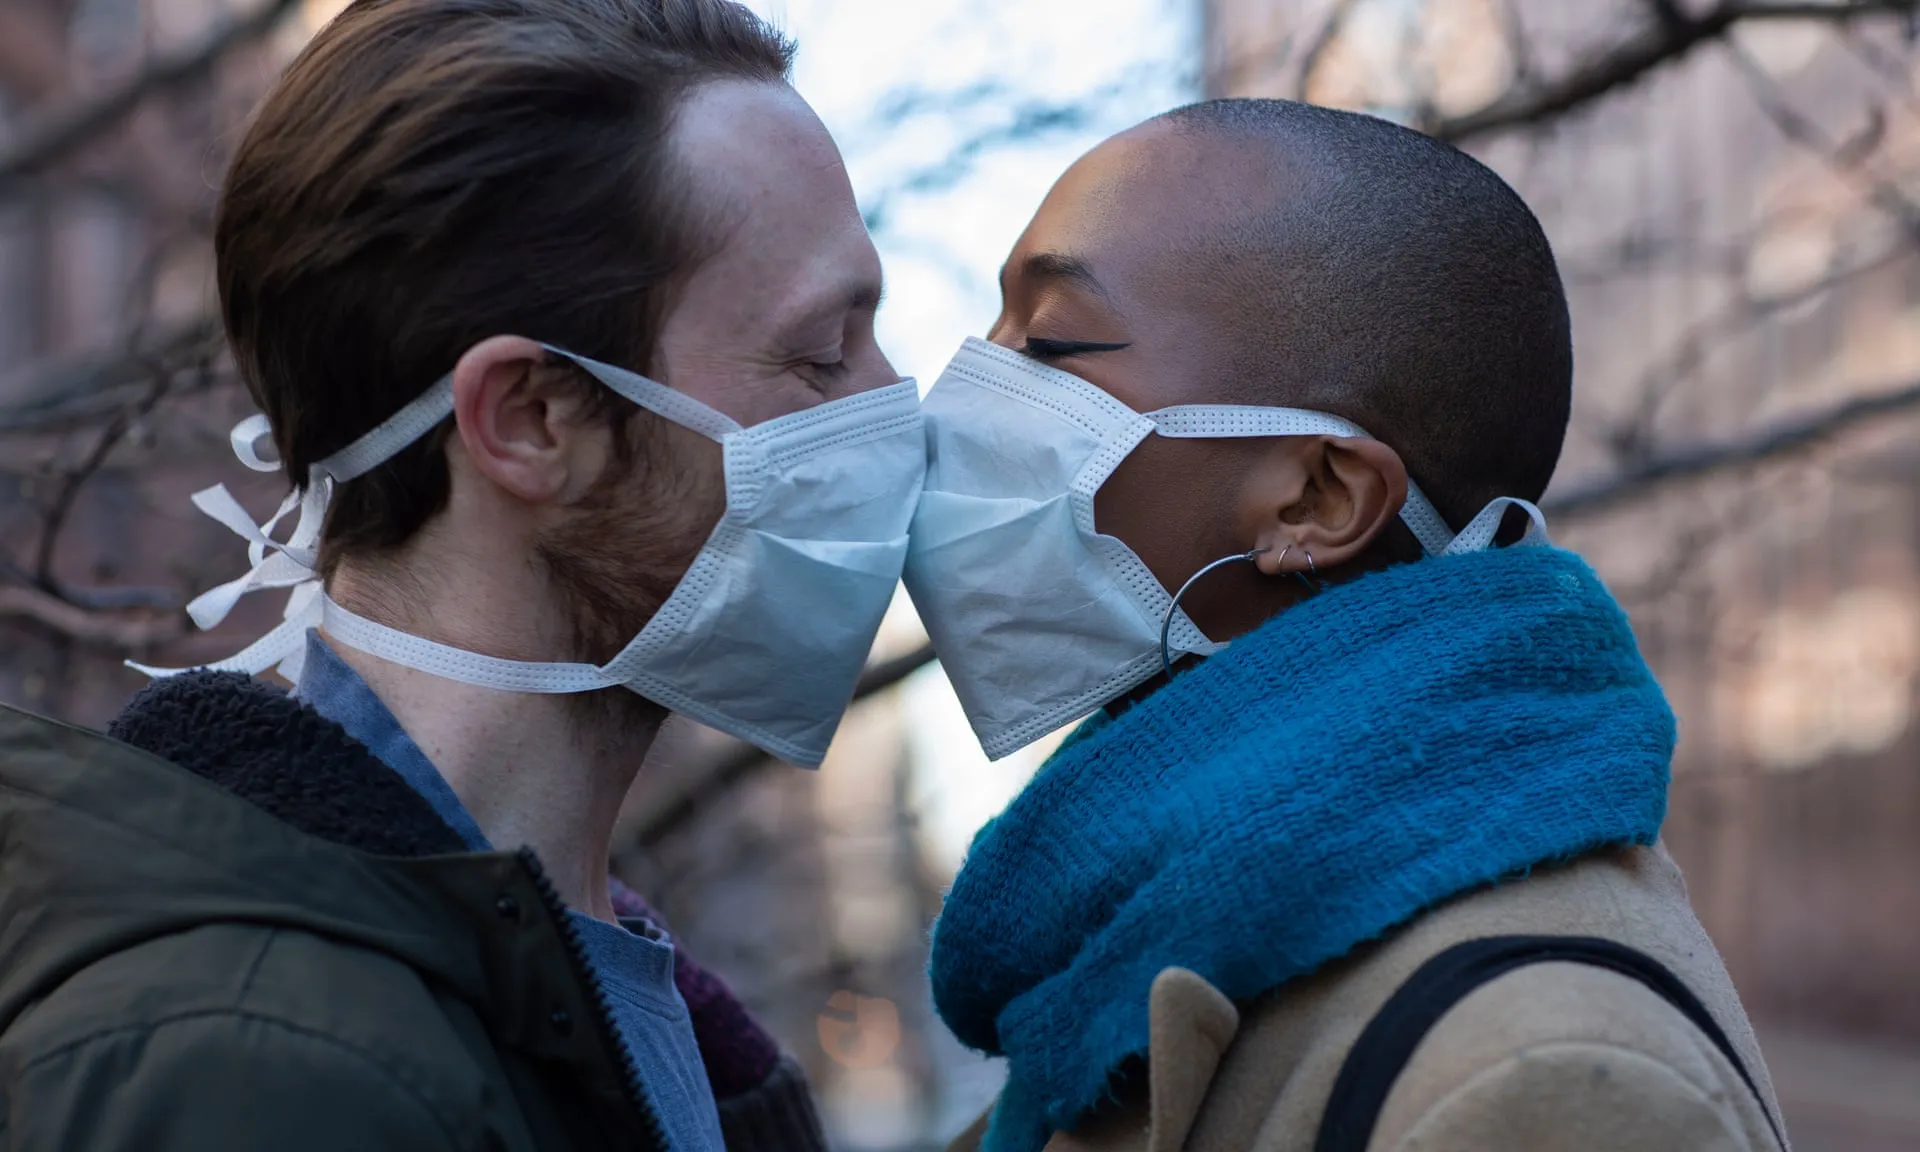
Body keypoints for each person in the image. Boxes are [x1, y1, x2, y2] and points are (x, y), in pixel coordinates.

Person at [0, 0, 923, 1149]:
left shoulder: (596, 1000)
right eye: (823, 356)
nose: (898, 411)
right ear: (531, 419)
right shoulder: (265, 1072)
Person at [905, 99, 1788, 1152]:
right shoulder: (1132, 942)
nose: (963, 399)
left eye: (1049, 342)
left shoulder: (1538, 1075)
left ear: (1318, 498)